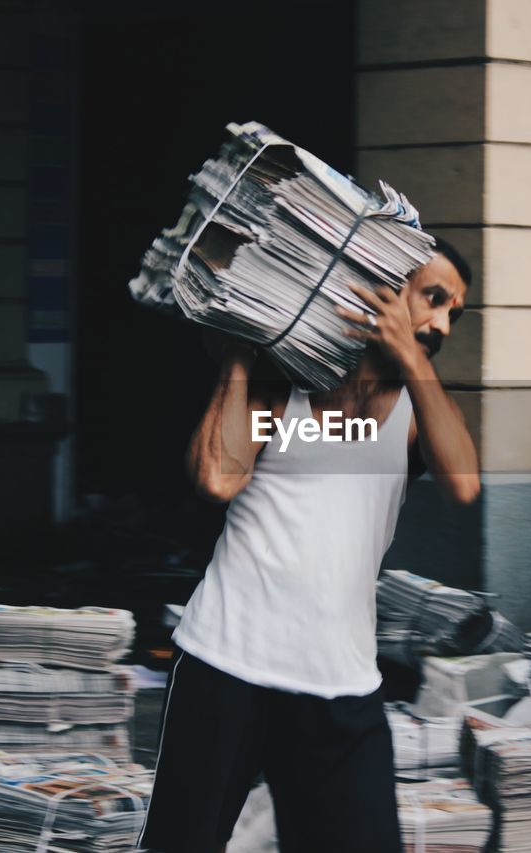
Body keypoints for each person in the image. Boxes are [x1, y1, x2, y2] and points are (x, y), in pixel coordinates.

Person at [139, 241, 479, 853]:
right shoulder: (285, 391)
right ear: (383, 283)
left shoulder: (413, 413)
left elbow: (463, 482)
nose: (441, 324)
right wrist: (245, 344)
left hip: (339, 677)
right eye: (434, 299)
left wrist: (411, 358)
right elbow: (218, 476)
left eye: (454, 312)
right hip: (227, 660)